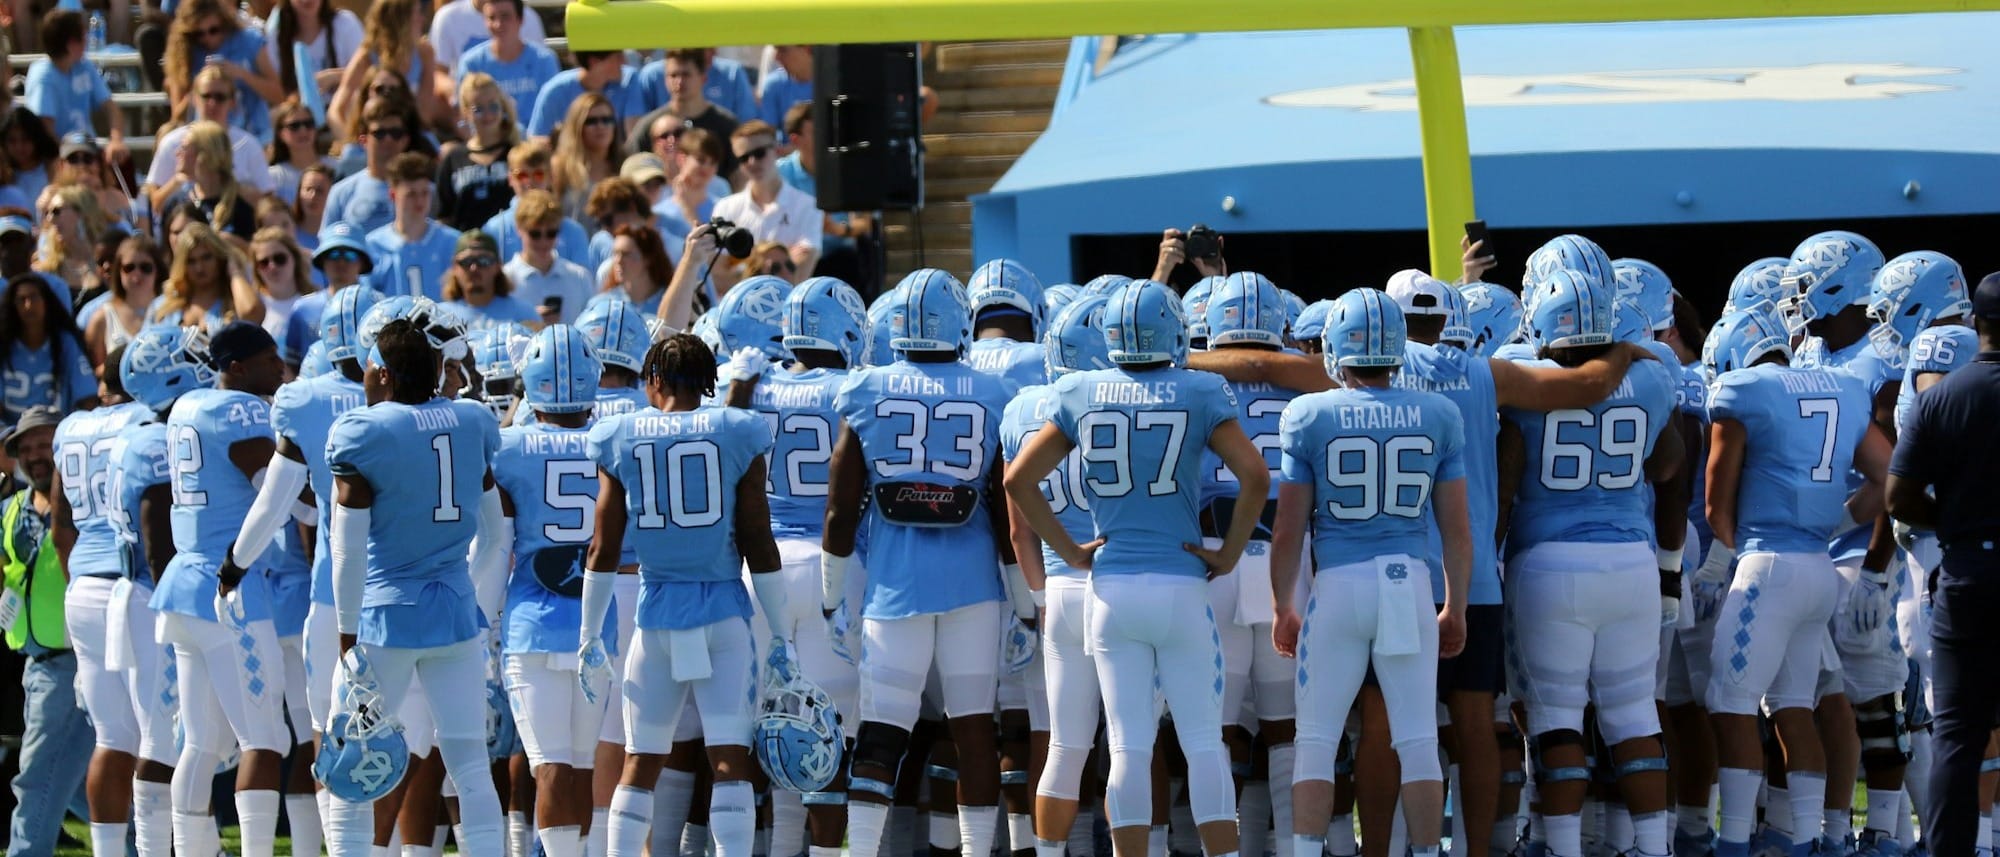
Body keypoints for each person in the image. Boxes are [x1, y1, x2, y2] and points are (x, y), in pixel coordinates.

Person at [1003, 278, 1266, 857]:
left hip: (1112, 590)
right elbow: (1255, 475)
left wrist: (1069, 550)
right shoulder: (1200, 389)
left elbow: (1018, 480)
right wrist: (1229, 552)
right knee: (1204, 745)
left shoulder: (1079, 390)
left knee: (1127, 747)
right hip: (1179, 584)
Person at [1262, 287, 1470, 857]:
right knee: (1418, 740)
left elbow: (1288, 530)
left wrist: (1282, 605)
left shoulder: (1309, 414)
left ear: (1336, 348)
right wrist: (1455, 605)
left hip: (1340, 585)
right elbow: (1456, 530)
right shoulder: (1437, 413)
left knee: (1315, 740)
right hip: (1408, 583)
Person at [1495, 267, 1684, 857]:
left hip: (1549, 563)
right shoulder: (1650, 377)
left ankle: (1563, 847)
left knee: (1557, 718)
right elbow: (1667, 465)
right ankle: (1653, 847)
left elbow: (1505, 485)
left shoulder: (1524, 380)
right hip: (1631, 560)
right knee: (1634, 715)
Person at [1692, 305, 1887, 857]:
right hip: (1818, 569)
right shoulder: (1844, 386)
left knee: (1729, 702)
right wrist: (1836, 522)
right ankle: (1805, 840)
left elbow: (1716, 506)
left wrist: (1718, 565)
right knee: (1794, 705)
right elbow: (1889, 476)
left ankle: (1733, 842)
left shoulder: (1743, 391)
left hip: (1768, 568)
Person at [324, 315, 508, 856]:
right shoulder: (471, 420)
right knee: (470, 764)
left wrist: (346, 633)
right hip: (454, 614)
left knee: (352, 758)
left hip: (385, 618)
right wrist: (465, 592)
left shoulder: (365, 432)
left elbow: (347, 550)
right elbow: (496, 535)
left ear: (383, 374)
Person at [236, 285, 380, 855]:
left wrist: (234, 563)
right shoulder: (421, 404)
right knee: (415, 738)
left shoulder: (303, 400)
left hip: (330, 590)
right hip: (400, 590)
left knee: (329, 728)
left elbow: (277, 502)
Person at [151, 321, 290, 857]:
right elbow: (276, 493)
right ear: (236, 367)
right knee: (264, 740)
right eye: (269, 358)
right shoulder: (242, 411)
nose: (280, 367)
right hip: (230, 591)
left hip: (182, 583)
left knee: (201, 743)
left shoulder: (187, 405)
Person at [1884, 271, 2000, 857]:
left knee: (1954, 733)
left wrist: (1954, 520)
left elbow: (1898, 498)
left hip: (1968, 570)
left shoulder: (1942, 397)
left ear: (1976, 324)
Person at [488, 323, 604, 857]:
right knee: (581, 767)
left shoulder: (508, 445)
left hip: (533, 622)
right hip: (598, 623)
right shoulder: (614, 437)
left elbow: (494, 546)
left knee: (550, 766)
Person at [999, 294, 1109, 857]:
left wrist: (1041, 597)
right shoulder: (1120, 400)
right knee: (1134, 744)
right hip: (1121, 579)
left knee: (1064, 745)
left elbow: (1019, 530)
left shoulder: (1020, 408)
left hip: (1060, 588)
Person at [50, 350, 155, 857]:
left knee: (112, 737)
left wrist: (78, 578)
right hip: (134, 582)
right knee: (161, 736)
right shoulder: (147, 419)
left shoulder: (70, 426)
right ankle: (167, 846)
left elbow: (60, 524)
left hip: (85, 586)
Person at [110, 330, 208, 857]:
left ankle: (197, 846)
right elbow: (157, 541)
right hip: (155, 593)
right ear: (167, 377)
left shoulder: (147, 428)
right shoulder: (153, 440)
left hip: (148, 592)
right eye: (189, 357)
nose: (203, 359)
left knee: (187, 735)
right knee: (164, 736)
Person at [2, 405, 94, 857]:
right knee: (71, 779)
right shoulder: (10, 509)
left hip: (73, 660)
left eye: (46, 445)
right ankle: (154, 844)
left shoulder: (87, 507)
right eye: (27, 448)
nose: (36, 455)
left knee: (38, 774)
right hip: (35, 662)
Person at [147, 68, 279, 212]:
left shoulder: (248, 145)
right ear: (194, 98)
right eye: (206, 96)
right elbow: (154, 205)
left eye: (220, 97)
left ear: (232, 102)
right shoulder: (173, 142)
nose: (212, 103)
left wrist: (229, 186)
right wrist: (178, 181)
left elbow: (268, 203)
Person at [775, 103, 871, 287]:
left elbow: (864, 223)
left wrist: (836, 229)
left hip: (839, 256)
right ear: (796, 140)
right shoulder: (780, 174)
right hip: (795, 257)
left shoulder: (848, 169)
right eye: (817, 132)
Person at [163, 0, 284, 144]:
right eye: (199, 34)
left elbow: (279, 95)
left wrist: (242, 74)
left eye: (214, 30)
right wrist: (202, 88)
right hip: (205, 141)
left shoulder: (249, 41)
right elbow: (177, 116)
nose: (207, 38)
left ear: (224, 23)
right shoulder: (184, 52)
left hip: (253, 137)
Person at [712, 121, 819, 284]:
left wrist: (742, 264)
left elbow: (801, 273)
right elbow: (717, 276)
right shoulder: (725, 207)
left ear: (777, 150)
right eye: (744, 158)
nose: (752, 162)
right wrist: (781, 260)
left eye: (759, 153)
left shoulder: (808, 206)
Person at [329, 0, 444, 135]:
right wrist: (350, 140)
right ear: (400, 20)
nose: (422, 19)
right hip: (374, 135)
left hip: (411, 135)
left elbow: (424, 112)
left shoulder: (425, 53)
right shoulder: (366, 56)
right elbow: (335, 112)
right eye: (417, 13)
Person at [24, 9, 126, 153]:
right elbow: (44, 131)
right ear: (71, 44)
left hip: (87, 151)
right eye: (84, 35)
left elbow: (111, 109)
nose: (87, 39)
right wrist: (70, 160)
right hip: (57, 156)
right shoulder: (43, 76)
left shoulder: (85, 66)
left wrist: (116, 141)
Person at [363, 152, 461, 300]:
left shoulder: (453, 242)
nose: (419, 201)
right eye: (411, 194)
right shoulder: (373, 246)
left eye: (425, 193)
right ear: (393, 195)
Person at [0, 273, 96, 421]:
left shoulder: (65, 343)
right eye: (21, 300)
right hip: (11, 432)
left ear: (46, 301)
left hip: (58, 430)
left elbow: (88, 397)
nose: (28, 305)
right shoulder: (4, 345)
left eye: (34, 297)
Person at [629, 49, 739, 177]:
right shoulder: (651, 126)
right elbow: (631, 168)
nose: (679, 81)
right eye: (673, 75)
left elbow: (738, 176)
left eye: (686, 75)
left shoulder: (726, 125)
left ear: (703, 78)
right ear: (665, 80)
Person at [482, 141, 592, 268]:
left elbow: (582, 277)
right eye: (522, 175)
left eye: (538, 174)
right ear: (510, 179)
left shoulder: (574, 232)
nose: (529, 182)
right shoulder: (494, 229)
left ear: (551, 177)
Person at [436, 73, 519, 232]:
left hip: (510, 242)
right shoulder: (453, 159)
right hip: (466, 243)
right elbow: (444, 216)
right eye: (478, 109)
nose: (488, 115)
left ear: (502, 107)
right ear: (466, 112)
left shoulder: (516, 153)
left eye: (493, 106)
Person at [322, 96, 414, 236]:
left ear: (405, 140)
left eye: (395, 133)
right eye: (380, 133)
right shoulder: (341, 192)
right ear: (364, 141)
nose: (388, 139)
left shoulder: (423, 192)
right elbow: (328, 240)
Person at [501, 189, 593, 325]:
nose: (543, 242)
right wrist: (529, 323)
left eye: (551, 233)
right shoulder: (503, 279)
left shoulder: (579, 277)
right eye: (535, 234)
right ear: (519, 229)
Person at [449, 0, 555, 110]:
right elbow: (464, 110)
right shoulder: (472, 64)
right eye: (492, 18)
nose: (498, 24)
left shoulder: (544, 61)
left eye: (505, 17)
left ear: (520, 19)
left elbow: (553, 109)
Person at [152, 222, 263, 325]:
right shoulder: (164, 306)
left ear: (219, 257)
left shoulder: (236, 302)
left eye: (206, 258)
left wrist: (235, 272)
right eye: (191, 261)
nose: (199, 268)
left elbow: (252, 313)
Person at [527, 51, 646, 141]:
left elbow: (633, 136)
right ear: (594, 62)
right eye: (617, 57)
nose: (624, 62)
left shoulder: (629, 80)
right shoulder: (555, 91)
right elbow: (537, 140)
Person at [85, 234, 164, 365]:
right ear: (118, 271)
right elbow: (94, 372)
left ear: (158, 270)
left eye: (145, 267)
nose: (137, 274)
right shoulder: (101, 319)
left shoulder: (171, 312)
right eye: (129, 268)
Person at [263, 0, 363, 101]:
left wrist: (334, 77)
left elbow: (367, 75)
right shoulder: (275, 38)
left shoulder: (345, 24)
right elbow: (276, 94)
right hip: (298, 109)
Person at [552, 95, 625, 230]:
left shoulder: (625, 164)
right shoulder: (560, 167)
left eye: (607, 120)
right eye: (591, 121)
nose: (601, 126)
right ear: (577, 126)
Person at [34, 183, 116, 294]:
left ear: (81, 212)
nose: (50, 218)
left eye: (56, 211)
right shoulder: (48, 270)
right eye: (47, 213)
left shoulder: (111, 260)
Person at [442, 230, 534, 328]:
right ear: (454, 267)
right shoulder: (440, 318)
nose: (474, 268)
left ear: (498, 265)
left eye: (484, 261)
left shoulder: (523, 314)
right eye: (467, 261)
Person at [651, 127, 727, 244]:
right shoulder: (659, 213)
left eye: (713, 162)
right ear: (682, 158)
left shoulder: (723, 209)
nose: (707, 167)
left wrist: (687, 208)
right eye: (701, 160)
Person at [589, 224, 673, 316]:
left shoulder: (672, 303)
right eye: (615, 253)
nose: (618, 261)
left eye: (626, 254)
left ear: (648, 259)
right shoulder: (602, 306)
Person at [250, 226, 315, 344]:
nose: (272, 266)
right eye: (264, 262)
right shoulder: (254, 308)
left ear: (295, 258)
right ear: (256, 269)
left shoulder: (315, 299)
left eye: (280, 258)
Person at [268, 101, 334, 209]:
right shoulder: (273, 176)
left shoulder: (336, 166)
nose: (303, 130)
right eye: (294, 126)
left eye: (308, 124)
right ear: (280, 134)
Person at [758, 46, 814, 133]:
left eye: (783, 50)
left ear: (807, 49)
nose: (776, 57)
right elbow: (769, 133)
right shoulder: (774, 84)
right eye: (776, 49)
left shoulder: (834, 82)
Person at [293, 164, 334, 247]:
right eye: (308, 189)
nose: (313, 196)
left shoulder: (338, 236)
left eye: (320, 191)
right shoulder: (288, 233)